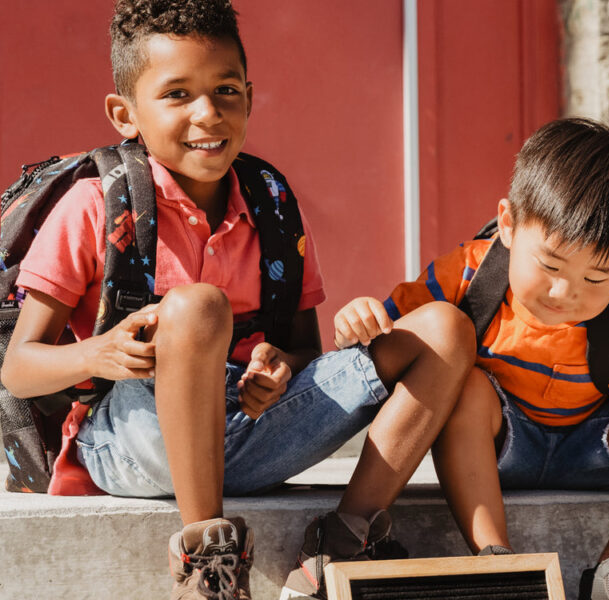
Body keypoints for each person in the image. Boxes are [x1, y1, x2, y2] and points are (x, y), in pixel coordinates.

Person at [0, 1, 476, 598]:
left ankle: (344, 539)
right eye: (177, 94)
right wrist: (97, 354)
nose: (208, 113)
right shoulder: (96, 206)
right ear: (126, 114)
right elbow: (18, 370)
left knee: (444, 328)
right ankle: (208, 558)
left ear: (249, 96)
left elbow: (303, 349)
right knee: (199, 306)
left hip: (252, 433)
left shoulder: (272, 201)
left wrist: (278, 368)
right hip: (134, 441)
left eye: (226, 89)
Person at [328, 118, 609, 600]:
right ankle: (498, 561)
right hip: (497, 445)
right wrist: (358, 322)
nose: (566, 293)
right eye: (550, 264)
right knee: (465, 388)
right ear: (508, 224)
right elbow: (397, 341)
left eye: (598, 278)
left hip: (600, 443)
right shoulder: (467, 278)